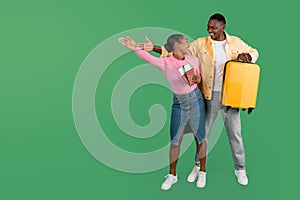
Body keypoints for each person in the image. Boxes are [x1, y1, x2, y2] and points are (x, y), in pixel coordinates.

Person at [138, 13, 259, 186]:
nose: (210, 30)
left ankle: (240, 169)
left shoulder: (236, 42)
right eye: (208, 27)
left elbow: (254, 52)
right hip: (208, 95)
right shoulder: (200, 44)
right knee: (202, 134)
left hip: (230, 95)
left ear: (223, 27)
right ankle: (198, 167)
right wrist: (154, 48)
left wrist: (248, 57)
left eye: (214, 28)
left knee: (235, 133)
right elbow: (175, 52)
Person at [119, 34, 207, 190]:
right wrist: (134, 48)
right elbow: (149, 58)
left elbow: (199, 77)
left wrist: (196, 79)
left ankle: (202, 171)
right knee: (175, 140)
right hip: (179, 103)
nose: (188, 44)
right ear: (176, 46)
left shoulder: (193, 59)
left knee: (200, 137)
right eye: (185, 42)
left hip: (196, 100)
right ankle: (172, 175)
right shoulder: (166, 63)